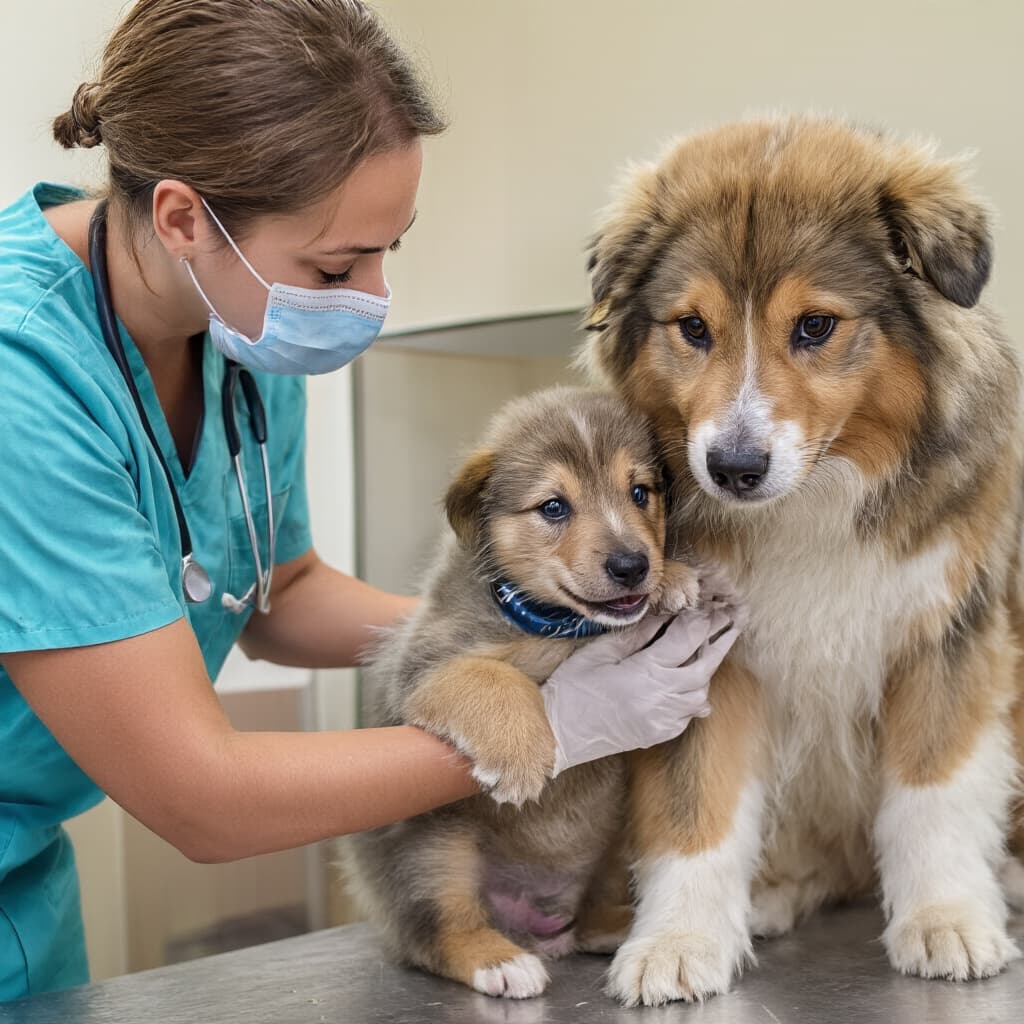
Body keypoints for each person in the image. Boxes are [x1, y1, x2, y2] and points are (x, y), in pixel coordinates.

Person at [0, 0, 740, 1003]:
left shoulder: (237, 326)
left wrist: (520, 646)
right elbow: (201, 797)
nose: (369, 294)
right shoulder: (21, 381)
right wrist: (555, 725)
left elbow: (276, 588)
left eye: (389, 248)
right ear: (182, 218)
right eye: (337, 266)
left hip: (24, 893)